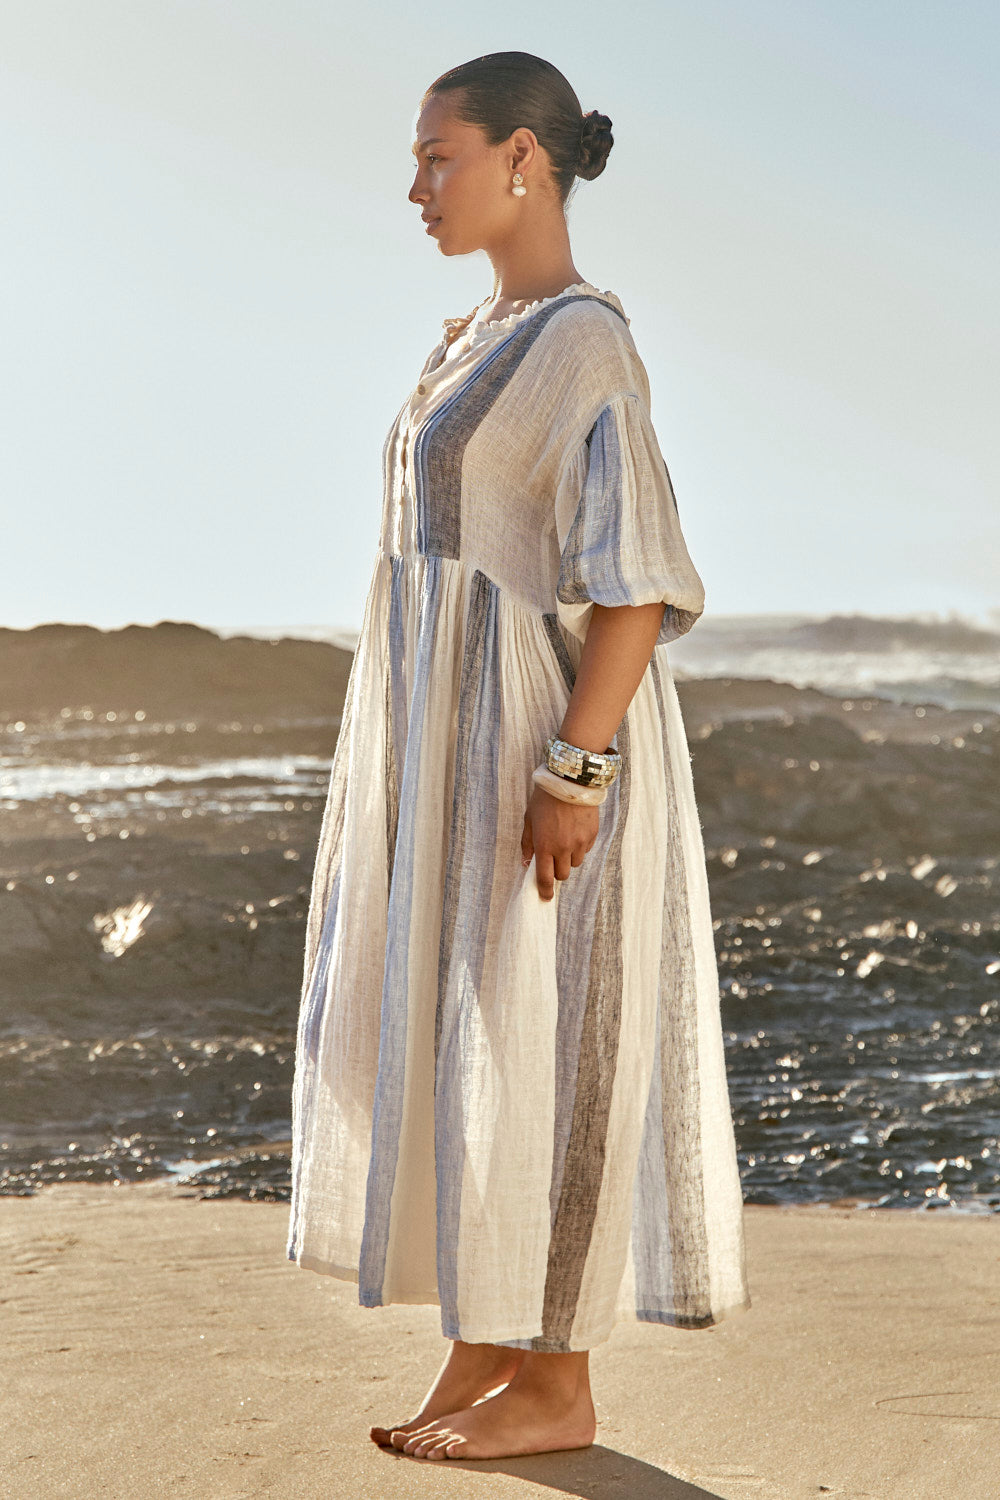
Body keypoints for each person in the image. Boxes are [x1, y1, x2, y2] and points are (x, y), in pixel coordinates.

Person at [285, 50, 750, 1463]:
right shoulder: (475, 335)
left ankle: (558, 1386)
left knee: (563, 1048)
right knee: (470, 1033)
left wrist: (576, 771)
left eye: (440, 155)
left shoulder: (583, 342)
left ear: (523, 163)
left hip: (546, 744)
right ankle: (483, 1344)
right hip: (448, 752)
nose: (417, 183)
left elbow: (633, 582)